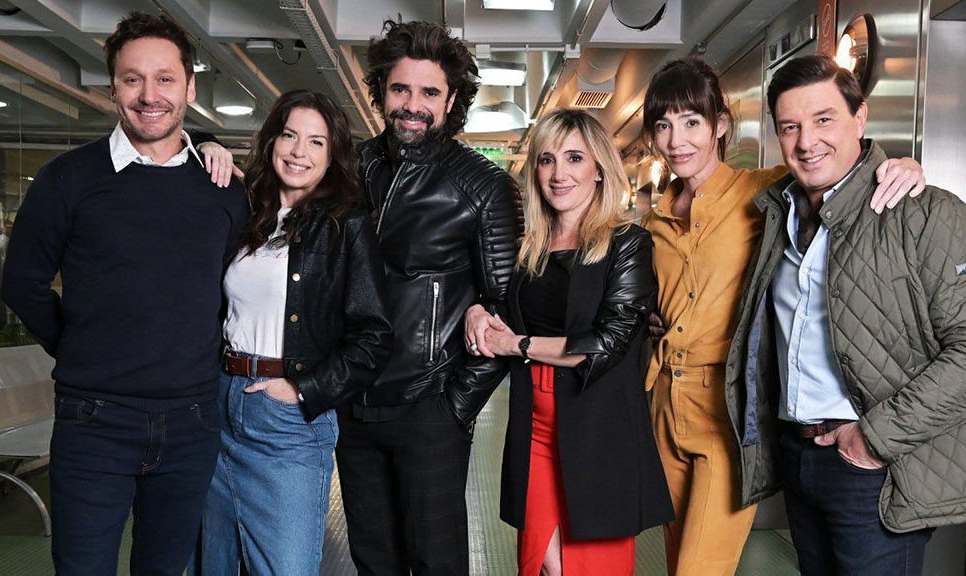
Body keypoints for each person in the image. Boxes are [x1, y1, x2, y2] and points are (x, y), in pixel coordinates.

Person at [640, 57, 927, 575]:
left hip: (727, 411)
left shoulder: (764, 192)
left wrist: (903, 165)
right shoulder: (654, 221)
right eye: (663, 126)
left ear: (720, 126)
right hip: (663, 407)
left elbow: (841, 171)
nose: (677, 140)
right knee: (677, 557)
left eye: (692, 122)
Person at [725, 54, 966, 575]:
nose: (806, 142)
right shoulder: (775, 216)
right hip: (799, 454)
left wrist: (874, 440)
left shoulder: (926, 212)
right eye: (790, 127)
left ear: (860, 118)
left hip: (877, 464)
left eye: (824, 119)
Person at [0, 12, 248, 576]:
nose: (149, 95)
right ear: (113, 88)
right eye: (132, 79)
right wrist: (81, 346)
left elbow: (234, 290)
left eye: (165, 79)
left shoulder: (224, 189)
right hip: (95, 421)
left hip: (192, 421)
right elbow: (22, 284)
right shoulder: (68, 179)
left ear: (189, 87)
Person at [344, 19, 521, 575]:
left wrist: (454, 408)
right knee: (373, 561)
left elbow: (507, 307)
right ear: (381, 90)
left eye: (429, 93)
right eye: (400, 89)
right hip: (353, 402)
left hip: (429, 405)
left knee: (435, 562)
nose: (412, 106)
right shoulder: (352, 167)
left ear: (451, 101)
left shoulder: (483, 185)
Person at [193, 90, 393, 575]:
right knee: (214, 564)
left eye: (316, 142)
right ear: (271, 141)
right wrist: (204, 141)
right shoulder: (246, 213)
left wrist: (303, 390)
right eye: (289, 135)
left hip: (285, 419)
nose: (299, 151)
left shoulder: (346, 226)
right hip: (219, 403)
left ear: (332, 155)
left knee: (287, 567)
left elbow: (374, 337)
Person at [466, 108, 673, 575]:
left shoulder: (626, 244)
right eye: (547, 159)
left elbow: (608, 343)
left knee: (583, 568)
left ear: (599, 169)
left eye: (574, 158)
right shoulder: (529, 248)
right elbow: (500, 307)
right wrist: (479, 310)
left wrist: (519, 346)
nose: (559, 174)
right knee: (541, 563)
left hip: (596, 433)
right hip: (535, 429)